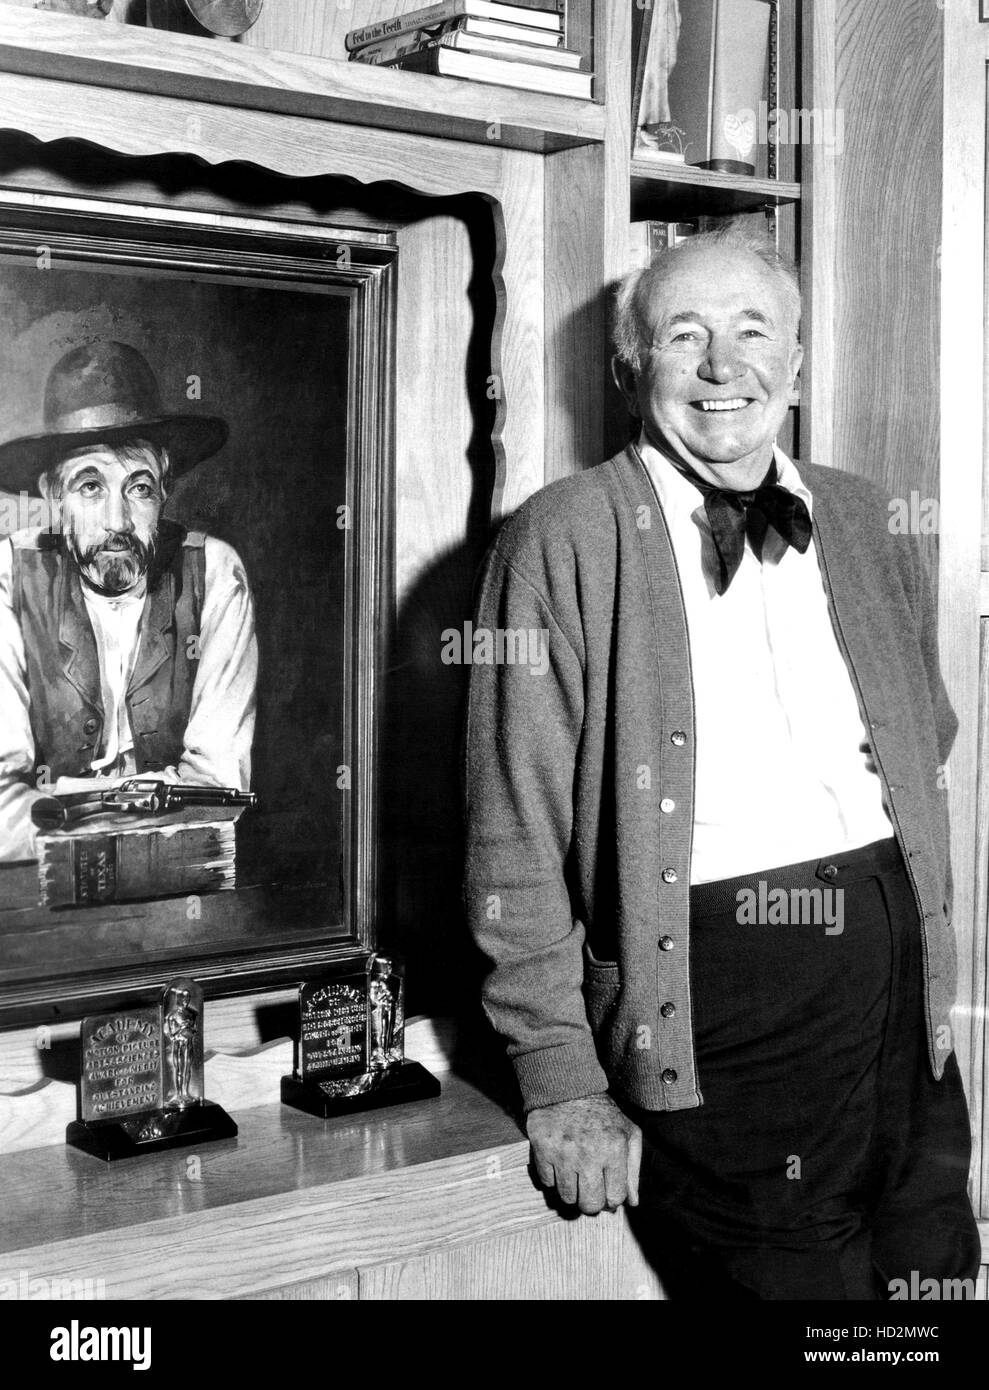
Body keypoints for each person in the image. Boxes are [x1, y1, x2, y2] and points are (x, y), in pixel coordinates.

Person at [462, 223, 980, 1300]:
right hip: (719, 1005)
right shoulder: (560, 538)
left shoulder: (861, 516)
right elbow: (510, 833)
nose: (719, 367)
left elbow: (921, 733)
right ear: (629, 367)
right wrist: (558, 1077)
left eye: (752, 333)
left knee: (928, 1283)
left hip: (899, 997)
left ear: (793, 361)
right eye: (681, 335)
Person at [0, 339, 257, 862]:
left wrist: (66, 808)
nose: (117, 522)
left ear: (163, 492)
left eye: (138, 488)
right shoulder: (8, 577)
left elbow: (218, 791)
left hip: (182, 892)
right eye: (90, 487)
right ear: (54, 498)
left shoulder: (215, 573)